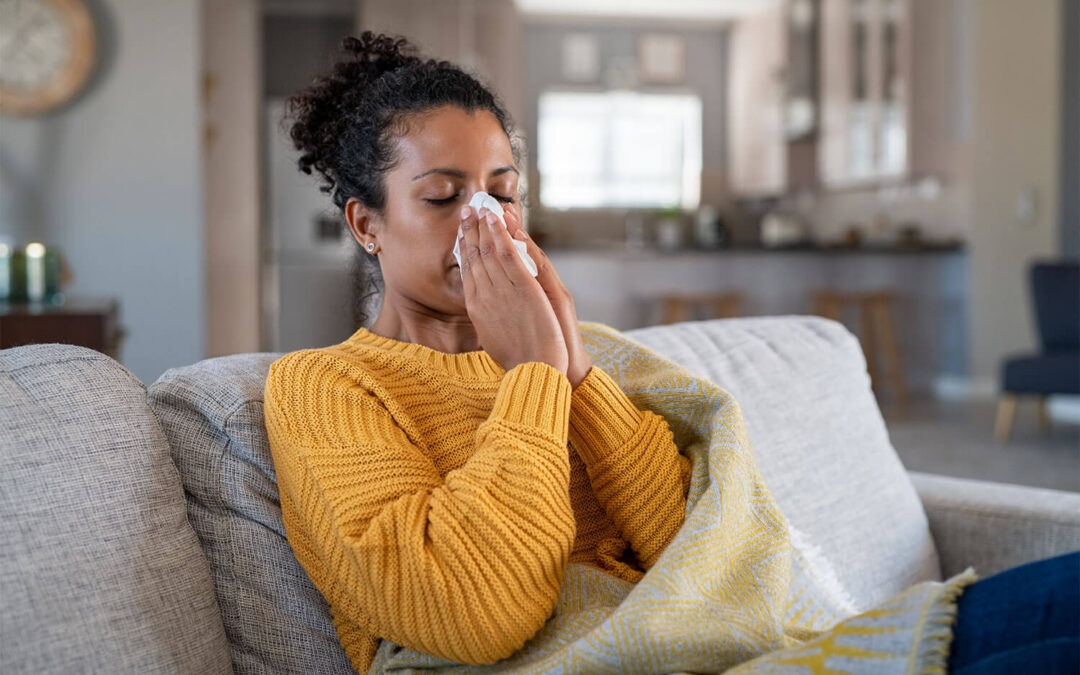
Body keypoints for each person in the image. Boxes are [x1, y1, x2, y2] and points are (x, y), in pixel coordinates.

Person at [263, 31, 1079, 675]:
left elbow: (702, 552)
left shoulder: (590, 357)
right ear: (366, 223)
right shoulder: (327, 386)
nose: (487, 222)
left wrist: (576, 370)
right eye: (442, 197)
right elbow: (475, 614)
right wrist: (538, 380)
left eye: (504, 193)